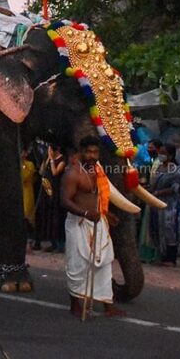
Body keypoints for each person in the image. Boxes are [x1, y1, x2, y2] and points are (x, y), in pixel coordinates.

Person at [60, 135, 123, 318]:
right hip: (79, 223)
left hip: (98, 221)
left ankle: (107, 305)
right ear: (81, 152)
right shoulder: (73, 173)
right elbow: (65, 201)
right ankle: (75, 303)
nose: (92, 156)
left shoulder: (98, 171)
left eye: (95, 152)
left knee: (104, 262)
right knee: (78, 263)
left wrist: (105, 213)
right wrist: (86, 214)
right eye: (88, 152)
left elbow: (97, 197)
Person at [149, 143, 180, 266]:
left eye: (164, 153)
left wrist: (158, 192)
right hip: (157, 203)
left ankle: (171, 259)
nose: (161, 155)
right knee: (157, 227)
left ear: (171, 155)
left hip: (170, 205)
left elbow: (175, 188)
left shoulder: (175, 169)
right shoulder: (158, 167)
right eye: (160, 153)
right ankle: (161, 256)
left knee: (170, 229)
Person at [33, 142, 66, 252]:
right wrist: (47, 159)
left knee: (55, 216)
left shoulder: (61, 160)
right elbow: (42, 171)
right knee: (45, 215)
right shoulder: (48, 159)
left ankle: (57, 243)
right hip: (45, 190)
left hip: (55, 191)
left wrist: (52, 159)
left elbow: (55, 172)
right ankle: (46, 240)